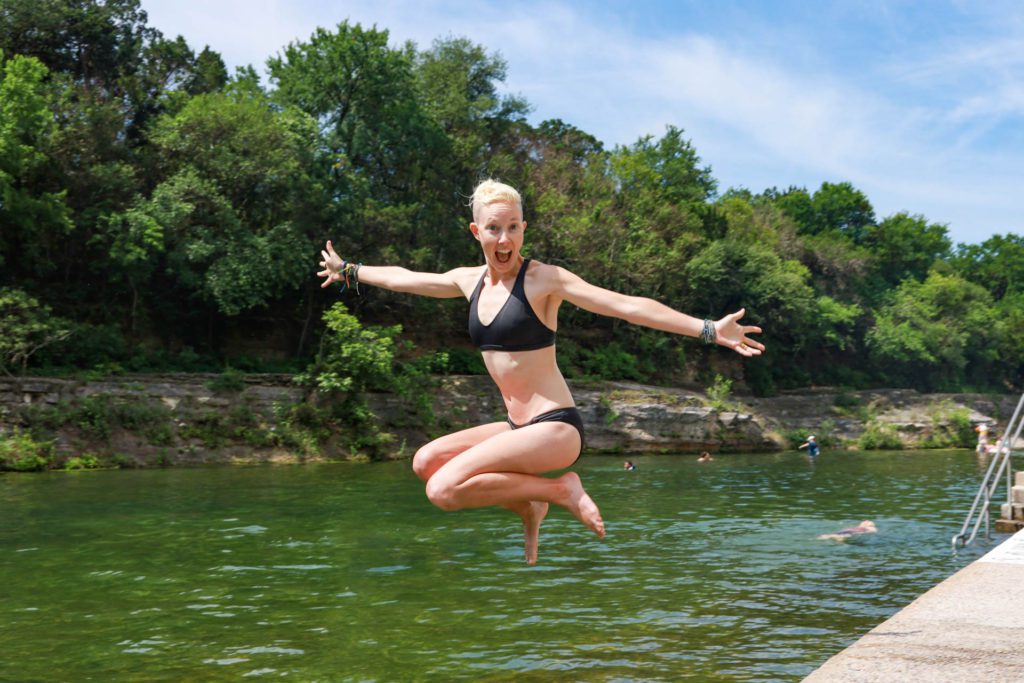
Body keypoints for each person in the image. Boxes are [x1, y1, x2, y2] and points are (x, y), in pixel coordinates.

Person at [317, 179, 765, 564]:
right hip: (516, 426)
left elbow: (627, 306)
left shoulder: (544, 280)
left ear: (523, 229)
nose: (504, 238)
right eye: (494, 228)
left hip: (555, 427)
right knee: (425, 462)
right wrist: (350, 270)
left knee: (443, 490)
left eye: (513, 227)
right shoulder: (466, 280)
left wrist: (708, 328)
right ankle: (529, 506)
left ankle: (560, 491)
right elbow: (403, 276)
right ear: (477, 232)